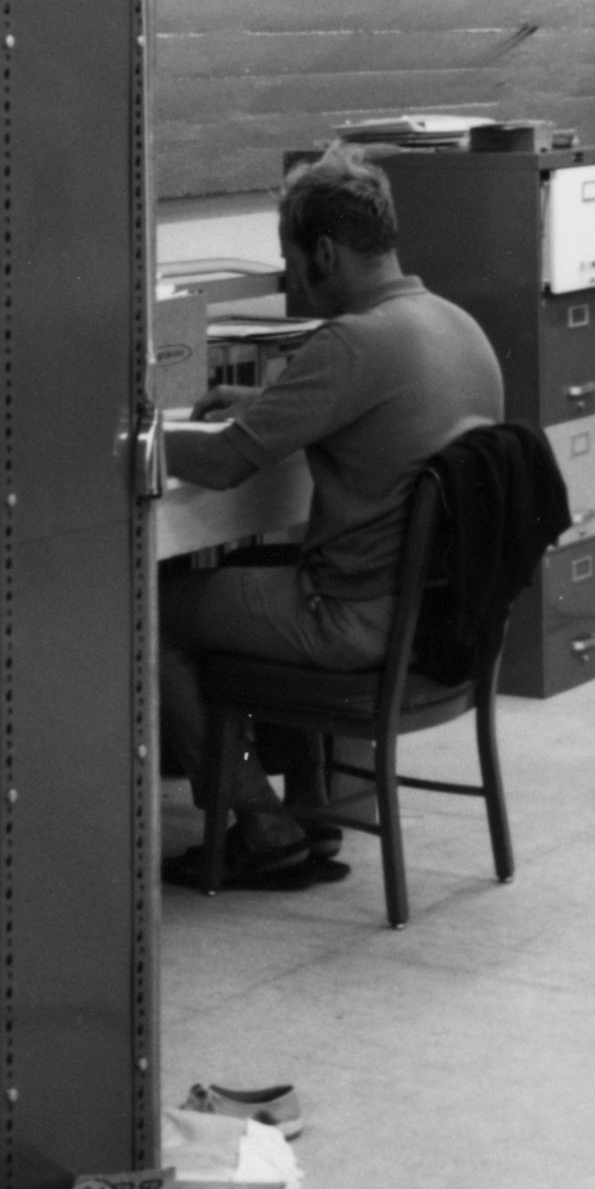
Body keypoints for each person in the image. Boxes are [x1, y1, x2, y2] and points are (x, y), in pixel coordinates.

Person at [157, 150, 501, 889]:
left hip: (351, 623)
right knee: (263, 572)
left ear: (324, 251)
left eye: (290, 262)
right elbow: (364, 414)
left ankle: (262, 824)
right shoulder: (456, 325)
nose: (291, 280)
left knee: (153, 613)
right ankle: (308, 807)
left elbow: (220, 467)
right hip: (437, 622)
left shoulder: (349, 342)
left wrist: (134, 438)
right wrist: (264, 409)